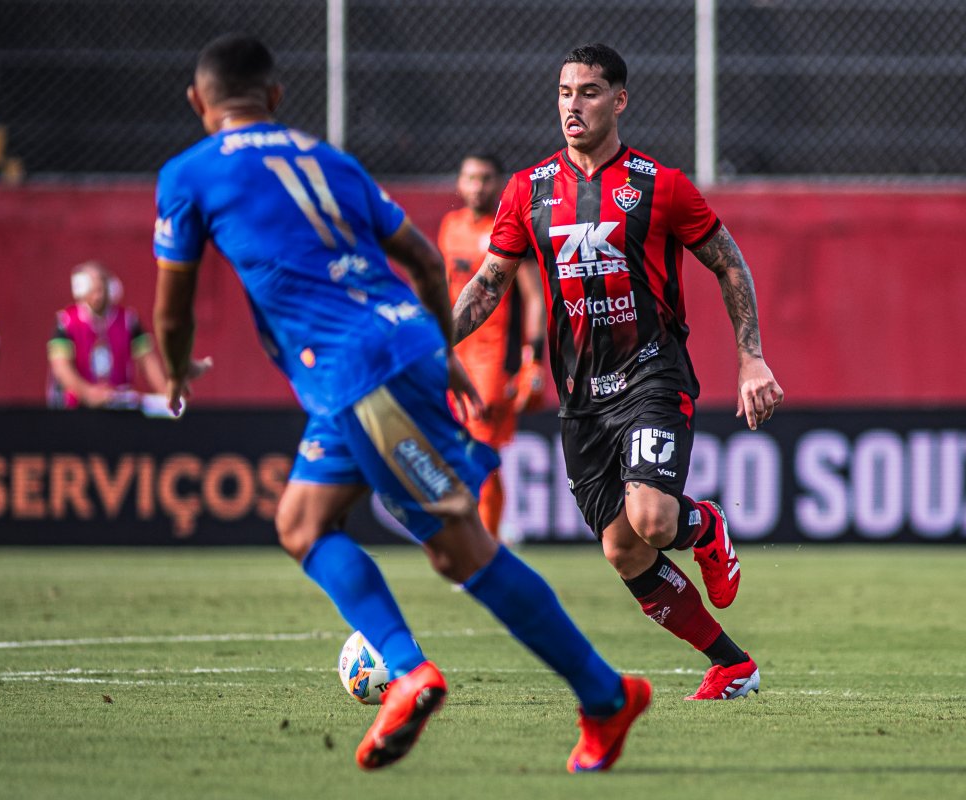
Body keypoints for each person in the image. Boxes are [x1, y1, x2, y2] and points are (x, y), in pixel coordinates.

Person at [152, 33, 650, 773]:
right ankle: (419, 670)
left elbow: (172, 307)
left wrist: (174, 368)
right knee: (300, 522)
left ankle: (598, 696)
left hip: (357, 370)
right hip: (393, 352)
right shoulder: (327, 159)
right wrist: (439, 352)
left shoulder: (187, 175)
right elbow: (420, 258)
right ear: (278, 100)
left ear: (198, 103)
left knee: (461, 552)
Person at [452, 43, 784, 701]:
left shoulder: (660, 186)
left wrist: (751, 355)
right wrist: (432, 343)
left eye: (590, 92)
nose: (573, 105)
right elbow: (490, 283)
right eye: (565, 92)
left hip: (651, 376)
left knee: (655, 521)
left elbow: (729, 262)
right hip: (582, 399)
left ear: (619, 100)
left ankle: (703, 526)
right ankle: (731, 663)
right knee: (624, 550)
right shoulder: (528, 190)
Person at [439, 154, 547, 539]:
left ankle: (485, 545)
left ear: (499, 184)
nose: (477, 186)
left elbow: (535, 298)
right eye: (470, 177)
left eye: (486, 179)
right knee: (457, 453)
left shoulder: (510, 230)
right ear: (459, 183)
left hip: (493, 362)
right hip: (455, 358)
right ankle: (479, 540)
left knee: (480, 455)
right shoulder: (450, 227)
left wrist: (533, 358)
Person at [47, 261, 210, 409]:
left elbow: (147, 361)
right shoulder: (67, 322)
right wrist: (89, 393)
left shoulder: (128, 321)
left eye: (102, 287)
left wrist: (167, 394)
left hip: (118, 406)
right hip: (76, 408)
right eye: (94, 289)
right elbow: (61, 368)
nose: (99, 295)